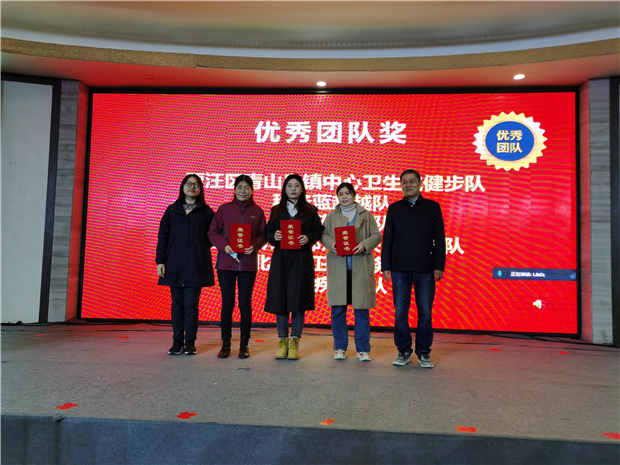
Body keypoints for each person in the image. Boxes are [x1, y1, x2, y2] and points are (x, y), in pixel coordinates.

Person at [381, 169, 446, 368]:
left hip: (425, 268)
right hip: (399, 268)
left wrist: (438, 266)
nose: (408, 185)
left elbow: (439, 239)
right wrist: (386, 266)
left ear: (420, 183)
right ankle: (403, 350)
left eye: (411, 181)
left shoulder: (432, 207)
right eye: (404, 182)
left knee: (425, 312)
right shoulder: (394, 209)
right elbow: (388, 239)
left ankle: (424, 352)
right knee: (400, 312)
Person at [264, 174, 324, 360]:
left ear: (302, 189)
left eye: (296, 185)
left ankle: (295, 342)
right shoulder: (276, 210)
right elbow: (268, 232)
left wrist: (308, 238)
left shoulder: (310, 210)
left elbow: (319, 230)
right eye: (289, 185)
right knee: (281, 301)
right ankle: (282, 341)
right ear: (284, 189)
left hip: (301, 260)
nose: (293, 189)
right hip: (281, 260)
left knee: (298, 302)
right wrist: (274, 237)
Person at [321, 183, 381, 362]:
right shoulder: (331, 216)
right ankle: (340, 347)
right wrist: (331, 243)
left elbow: (376, 235)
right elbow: (323, 235)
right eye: (341, 194)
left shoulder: (365, 215)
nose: (344, 197)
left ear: (354, 195)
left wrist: (364, 245)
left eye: (347, 193)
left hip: (360, 268)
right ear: (337, 197)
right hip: (339, 269)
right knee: (338, 310)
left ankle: (363, 349)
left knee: (361, 310)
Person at [208, 175, 266, 359]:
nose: (243, 191)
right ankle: (225, 344)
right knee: (227, 303)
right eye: (239, 187)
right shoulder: (224, 209)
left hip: (247, 264)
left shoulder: (257, 211)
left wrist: (254, 246)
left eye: (246, 187)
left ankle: (244, 344)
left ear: (252, 190)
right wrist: (224, 245)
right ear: (234, 190)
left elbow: (263, 235)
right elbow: (213, 232)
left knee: (245, 304)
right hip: (226, 263)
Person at [156, 174, 215, 355]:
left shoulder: (207, 212)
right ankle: (176, 342)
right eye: (189, 184)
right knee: (177, 305)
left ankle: (190, 342)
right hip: (174, 264)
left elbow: (213, 236)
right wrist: (160, 261)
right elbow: (163, 237)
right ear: (182, 187)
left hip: (196, 265)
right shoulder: (172, 210)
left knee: (191, 305)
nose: (192, 187)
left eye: (196, 184)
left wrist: (199, 248)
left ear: (201, 189)